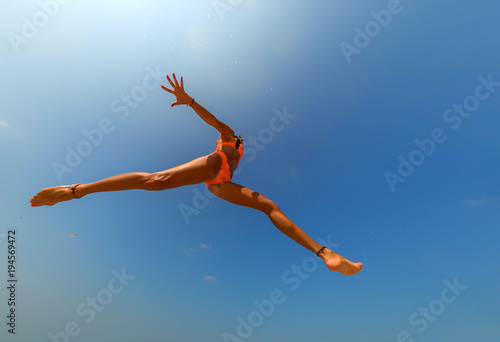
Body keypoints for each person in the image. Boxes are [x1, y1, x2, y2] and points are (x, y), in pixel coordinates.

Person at [30, 73, 363, 276]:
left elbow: (216, 126)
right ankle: (75, 190)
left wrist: (192, 104)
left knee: (268, 206)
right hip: (216, 173)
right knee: (156, 182)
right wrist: (190, 102)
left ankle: (324, 253)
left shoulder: (233, 145)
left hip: (221, 183)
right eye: (231, 138)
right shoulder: (226, 144)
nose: (233, 139)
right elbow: (214, 124)